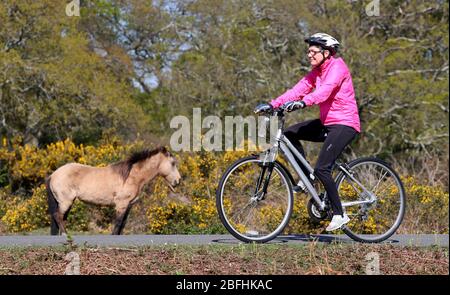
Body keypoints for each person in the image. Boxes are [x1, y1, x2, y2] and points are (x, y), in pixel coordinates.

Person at [269, 33, 361, 231]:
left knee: (322, 168)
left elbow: (324, 91)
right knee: (289, 134)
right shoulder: (316, 72)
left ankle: (340, 214)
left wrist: (304, 102)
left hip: (345, 124)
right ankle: (306, 179)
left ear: (326, 53)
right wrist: (272, 104)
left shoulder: (337, 67)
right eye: (308, 51)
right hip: (327, 123)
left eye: (313, 51)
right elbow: (297, 90)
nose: (309, 55)